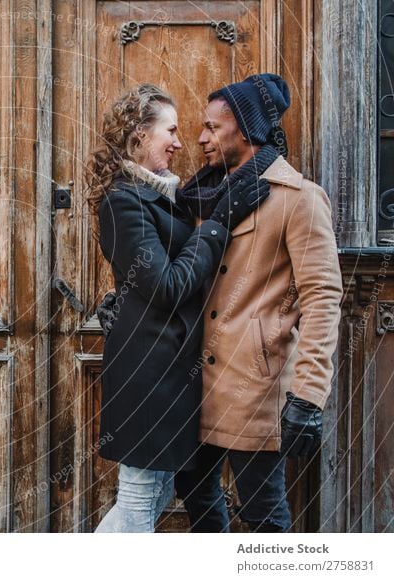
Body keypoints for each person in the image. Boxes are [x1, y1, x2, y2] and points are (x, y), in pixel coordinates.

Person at [97, 74, 343, 532]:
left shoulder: (298, 200)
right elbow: (167, 267)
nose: (199, 138)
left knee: (263, 513)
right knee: (200, 504)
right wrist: (121, 299)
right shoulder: (200, 195)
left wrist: (309, 395)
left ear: (246, 130)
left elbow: (324, 297)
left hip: (253, 389)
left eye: (212, 127)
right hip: (191, 389)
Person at [85, 83, 270, 532]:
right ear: (137, 136)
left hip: (172, 376)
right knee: (139, 501)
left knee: (150, 497)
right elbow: (166, 285)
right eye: (169, 130)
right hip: (151, 379)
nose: (180, 142)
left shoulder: (162, 196)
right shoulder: (122, 201)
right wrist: (218, 225)